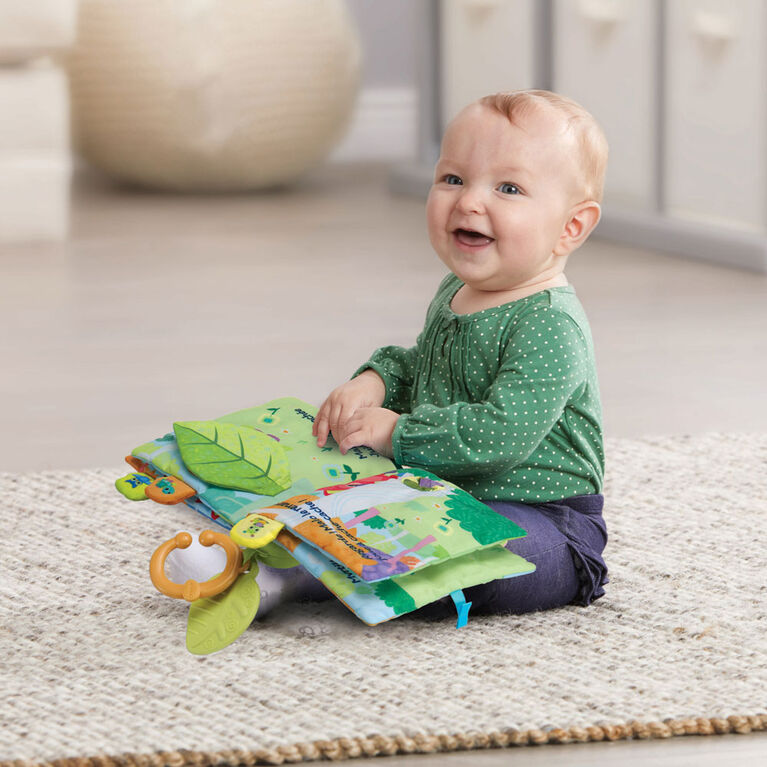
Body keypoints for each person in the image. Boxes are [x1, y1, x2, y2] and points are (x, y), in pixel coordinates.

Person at [312, 89, 610, 620]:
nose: (470, 201)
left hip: (545, 516)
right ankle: (310, 567)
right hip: (443, 492)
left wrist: (395, 432)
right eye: (453, 179)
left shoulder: (549, 322)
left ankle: (376, 577)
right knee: (340, 509)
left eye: (509, 188)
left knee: (489, 561)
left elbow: (500, 434)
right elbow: (426, 364)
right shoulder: (456, 288)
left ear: (571, 227)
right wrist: (376, 382)